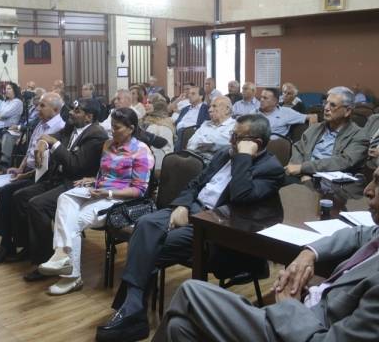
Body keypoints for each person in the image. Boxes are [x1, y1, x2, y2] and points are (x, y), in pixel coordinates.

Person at [153, 146, 379, 342]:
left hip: (302, 327)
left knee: (191, 291)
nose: (368, 190)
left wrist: (290, 306)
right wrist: (309, 252)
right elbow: (360, 233)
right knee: (180, 329)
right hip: (306, 311)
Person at [96, 114, 285, 342]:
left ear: (256, 143)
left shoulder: (270, 169)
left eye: (237, 137)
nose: (231, 140)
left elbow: (240, 196)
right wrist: (182, 206)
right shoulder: (224, 154)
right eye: (232, 134)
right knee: (145, 224)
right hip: (190, 211)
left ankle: (132, 312)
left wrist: (244, 156)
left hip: (215, 226)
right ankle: (134, 310)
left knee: (150, 245)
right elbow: (195, 183)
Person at [38, 107, 154, 295]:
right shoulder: (108, 144)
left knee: (75, 221)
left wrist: (108, 193)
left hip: (118, 199)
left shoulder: (141, 151)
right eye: (112, 127)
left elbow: (139, 190)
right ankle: (61, 256)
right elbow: (107, 174)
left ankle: (72, 277)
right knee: (64, 197)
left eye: (117, 128)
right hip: (98, 190)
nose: (112, 131)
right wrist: (93, 179)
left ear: (131, 128)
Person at [0, 93, 65, 262]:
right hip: (27, 170)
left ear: (56, 109)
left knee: (8, 192)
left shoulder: (59, 129)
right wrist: (19, 168)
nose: (37, 108)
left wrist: (24, 175)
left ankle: (7, 245)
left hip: (40, 176)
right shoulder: (41, 123)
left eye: (42, 106)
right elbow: (30, 151)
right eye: (38, 105)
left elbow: (48, 166)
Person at [12, 98, 109, 281]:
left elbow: (75, 165)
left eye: (77, 111)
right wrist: (43, 141)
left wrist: (53, 143)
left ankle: (46, 261)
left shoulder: (96, 135)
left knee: (37, 205)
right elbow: (52, 136)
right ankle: (29, 247)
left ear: (89, 117)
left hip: (76, 184)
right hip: (58, 178)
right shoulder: (72, 126)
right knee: (20, 196)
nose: (71, 112)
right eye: (72, 109)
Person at [285, 86, 367, 180]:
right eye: (325, 103)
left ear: (347, 111)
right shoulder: (315, 128)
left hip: (332, 183)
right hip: (302, 176)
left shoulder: (359, 136)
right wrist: (302, 173)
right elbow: (299, 148)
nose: (326, 108)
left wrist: (304, 168)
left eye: (333, 105)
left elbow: (343, 162)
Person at [186, 96, 235, 161]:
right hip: (195, 158)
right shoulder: (205, 124)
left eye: (214, 106)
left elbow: (219, 143)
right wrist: (208, 143)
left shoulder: (234, 126)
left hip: (214, 162)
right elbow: (190, 144)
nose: (209, 110)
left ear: (227, 110)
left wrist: (200, 142)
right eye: (210, 107)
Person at [0, 82, 23, 162]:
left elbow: (4, 114)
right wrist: (0, 116)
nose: (6, 90)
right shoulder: (5, 102)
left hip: (9, 128)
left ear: (14, 90)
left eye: (9, 89)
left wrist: (0, 116)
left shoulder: (17, 102)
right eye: (5, 89)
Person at [142, 93, 175, 172]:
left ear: (158, 105)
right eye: (146, 102)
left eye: (150, 103)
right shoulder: (145, 120)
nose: (146, 105)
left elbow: (165, 151)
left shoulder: (163, 125)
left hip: (157, 167)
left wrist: (158, 171)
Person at [174, 86, 210, 150]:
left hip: (193, 133)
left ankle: (177, 153)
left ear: (201, 96)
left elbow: (205, 125)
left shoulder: (206, 109)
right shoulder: (185, 109)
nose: (189, 96)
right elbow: (177, 122)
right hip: (178, 133)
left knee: (183, 132)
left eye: (193, 94)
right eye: (189, 93)